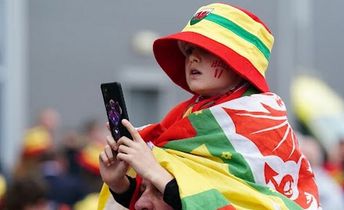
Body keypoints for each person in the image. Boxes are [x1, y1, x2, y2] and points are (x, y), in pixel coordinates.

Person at [99, 3, 320, 210]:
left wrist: (155, 171)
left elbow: (239, 204)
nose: (192, 59)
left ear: (239, 61)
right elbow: (169, 199)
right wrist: (120, 184)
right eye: (188, 51)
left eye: (205, 50)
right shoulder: (182, 116)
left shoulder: (263, 123)